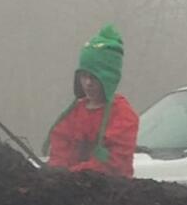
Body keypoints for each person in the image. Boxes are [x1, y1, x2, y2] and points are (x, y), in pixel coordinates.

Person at [45, 26, 139, 179]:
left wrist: (71, 175)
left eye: (94, 77)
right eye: (84, 76)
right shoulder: (73, 113)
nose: (88, 83)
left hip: (112, 195)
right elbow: (59, 151)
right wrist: (55, 173)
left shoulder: (123, 115)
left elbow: (112, 163)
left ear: (109, 78)